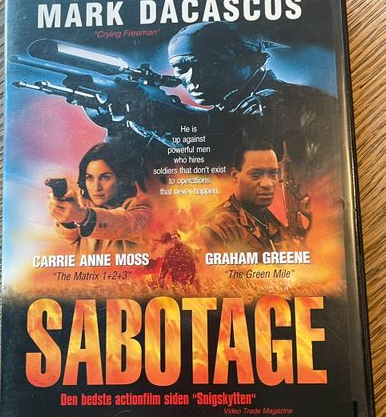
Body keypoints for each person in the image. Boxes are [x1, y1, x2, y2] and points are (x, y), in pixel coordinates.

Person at [168, 21, 337, 175]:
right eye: (181, 68)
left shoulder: (282, 104)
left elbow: (221, 161)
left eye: (212, 63)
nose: (193, 78)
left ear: (256, 60)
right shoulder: (233, 106)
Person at [202, 140, 310, 252]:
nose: (267, 184)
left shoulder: (271, 222)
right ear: (235, 176)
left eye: (273, 174)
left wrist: (310, 230)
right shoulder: (215, 228)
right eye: (256, 174)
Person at [48, 141, 151, 253]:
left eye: (105, 177)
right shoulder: (83, 204)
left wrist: (83, 216)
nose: (96, 187)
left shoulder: (142, 205)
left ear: (121, 178)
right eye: (89, 178)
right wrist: (66, 217)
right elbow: (68, 236)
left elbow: (127, 224)